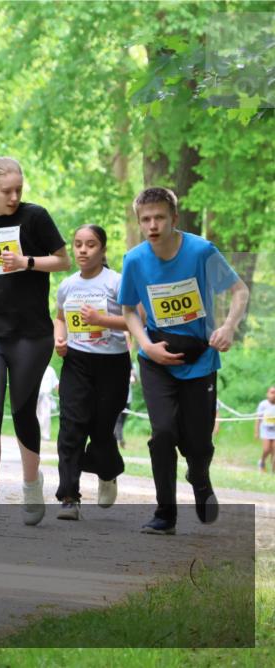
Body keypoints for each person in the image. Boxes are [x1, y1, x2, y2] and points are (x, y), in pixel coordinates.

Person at [119, 187, 249, 535]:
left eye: (159, 217)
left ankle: (200, 477)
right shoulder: (134, 260)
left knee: (199, 442)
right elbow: (129, 309)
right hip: (156, 358)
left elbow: (240, 291)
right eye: (145, 219)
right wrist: (147, 345)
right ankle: (165, 514)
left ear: (174, 218)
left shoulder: (201, 251)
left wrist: (228, 326)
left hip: (200, 359)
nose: (152, 225)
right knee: (162, 433)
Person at [0, 157, 70, 527]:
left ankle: (30, 484)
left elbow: (63, 260)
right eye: (7, 191)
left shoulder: (35, 217)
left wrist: (26, 262)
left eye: (18, 189)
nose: (14, 196)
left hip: (31, 334)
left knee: (23, 411)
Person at [52, 225, 132, 520]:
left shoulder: (117, 282)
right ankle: (69, 497)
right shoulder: (68, 285)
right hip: (76, 362)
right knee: (71, 428)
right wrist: (59, 339)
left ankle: (108, 472)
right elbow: (60, 319)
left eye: (91, 245)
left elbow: (136, 322)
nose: (83, 250)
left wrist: (102, 319)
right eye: (78, 244)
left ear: (103, 250)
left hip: (112, 364)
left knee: (101, 431)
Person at [37, 365, 59, 441]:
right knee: (34, 415)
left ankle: (45, 435)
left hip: (46, 396)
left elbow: (56, 384)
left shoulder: (50, 370)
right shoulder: (34, 366)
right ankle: (35, 434)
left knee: (46, 416)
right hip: (35, 395)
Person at [257, 386, 275, 473]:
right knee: (267, 449)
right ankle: (262, 461)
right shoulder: (263, 405)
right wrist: (256, 431)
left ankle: (273, 469)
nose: (273, 395)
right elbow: (258, 419)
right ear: (267, 394)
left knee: (274, 450)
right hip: (266, 430)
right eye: (272, 392)